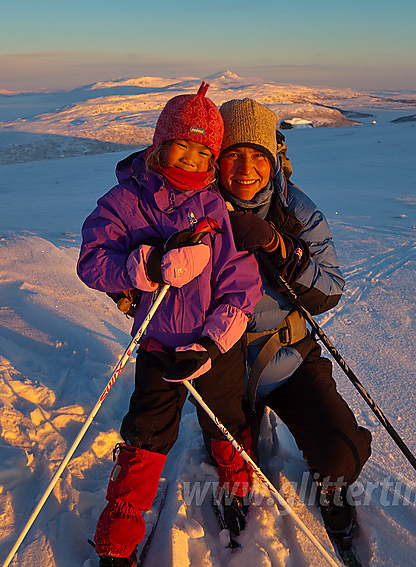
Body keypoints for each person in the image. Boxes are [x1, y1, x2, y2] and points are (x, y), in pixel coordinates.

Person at [77, 83, 262, 567]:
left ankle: (237, 487)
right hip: (156, 344)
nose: (192, 160)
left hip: (210, 350)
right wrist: (147, 267)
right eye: (183, 145)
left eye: (205, 153)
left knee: (224, 423)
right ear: (160, 143)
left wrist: (212, 344)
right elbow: (92, 261)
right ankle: (119, 535)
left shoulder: (216, 208)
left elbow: (240, 289)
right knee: (146, 435)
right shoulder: (124, 202)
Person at [215, 97, 372, 563]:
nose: (247, 169)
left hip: (288, 358)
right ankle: (237, 484)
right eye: (234, 155)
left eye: (258, 156)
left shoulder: (295, 212)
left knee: (339, 450)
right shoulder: (193, 210)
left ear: (273, 159)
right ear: (216, 159)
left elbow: (328, 293)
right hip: (220, 367)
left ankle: (332, 488)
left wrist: (281, 248)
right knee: (228, 462)